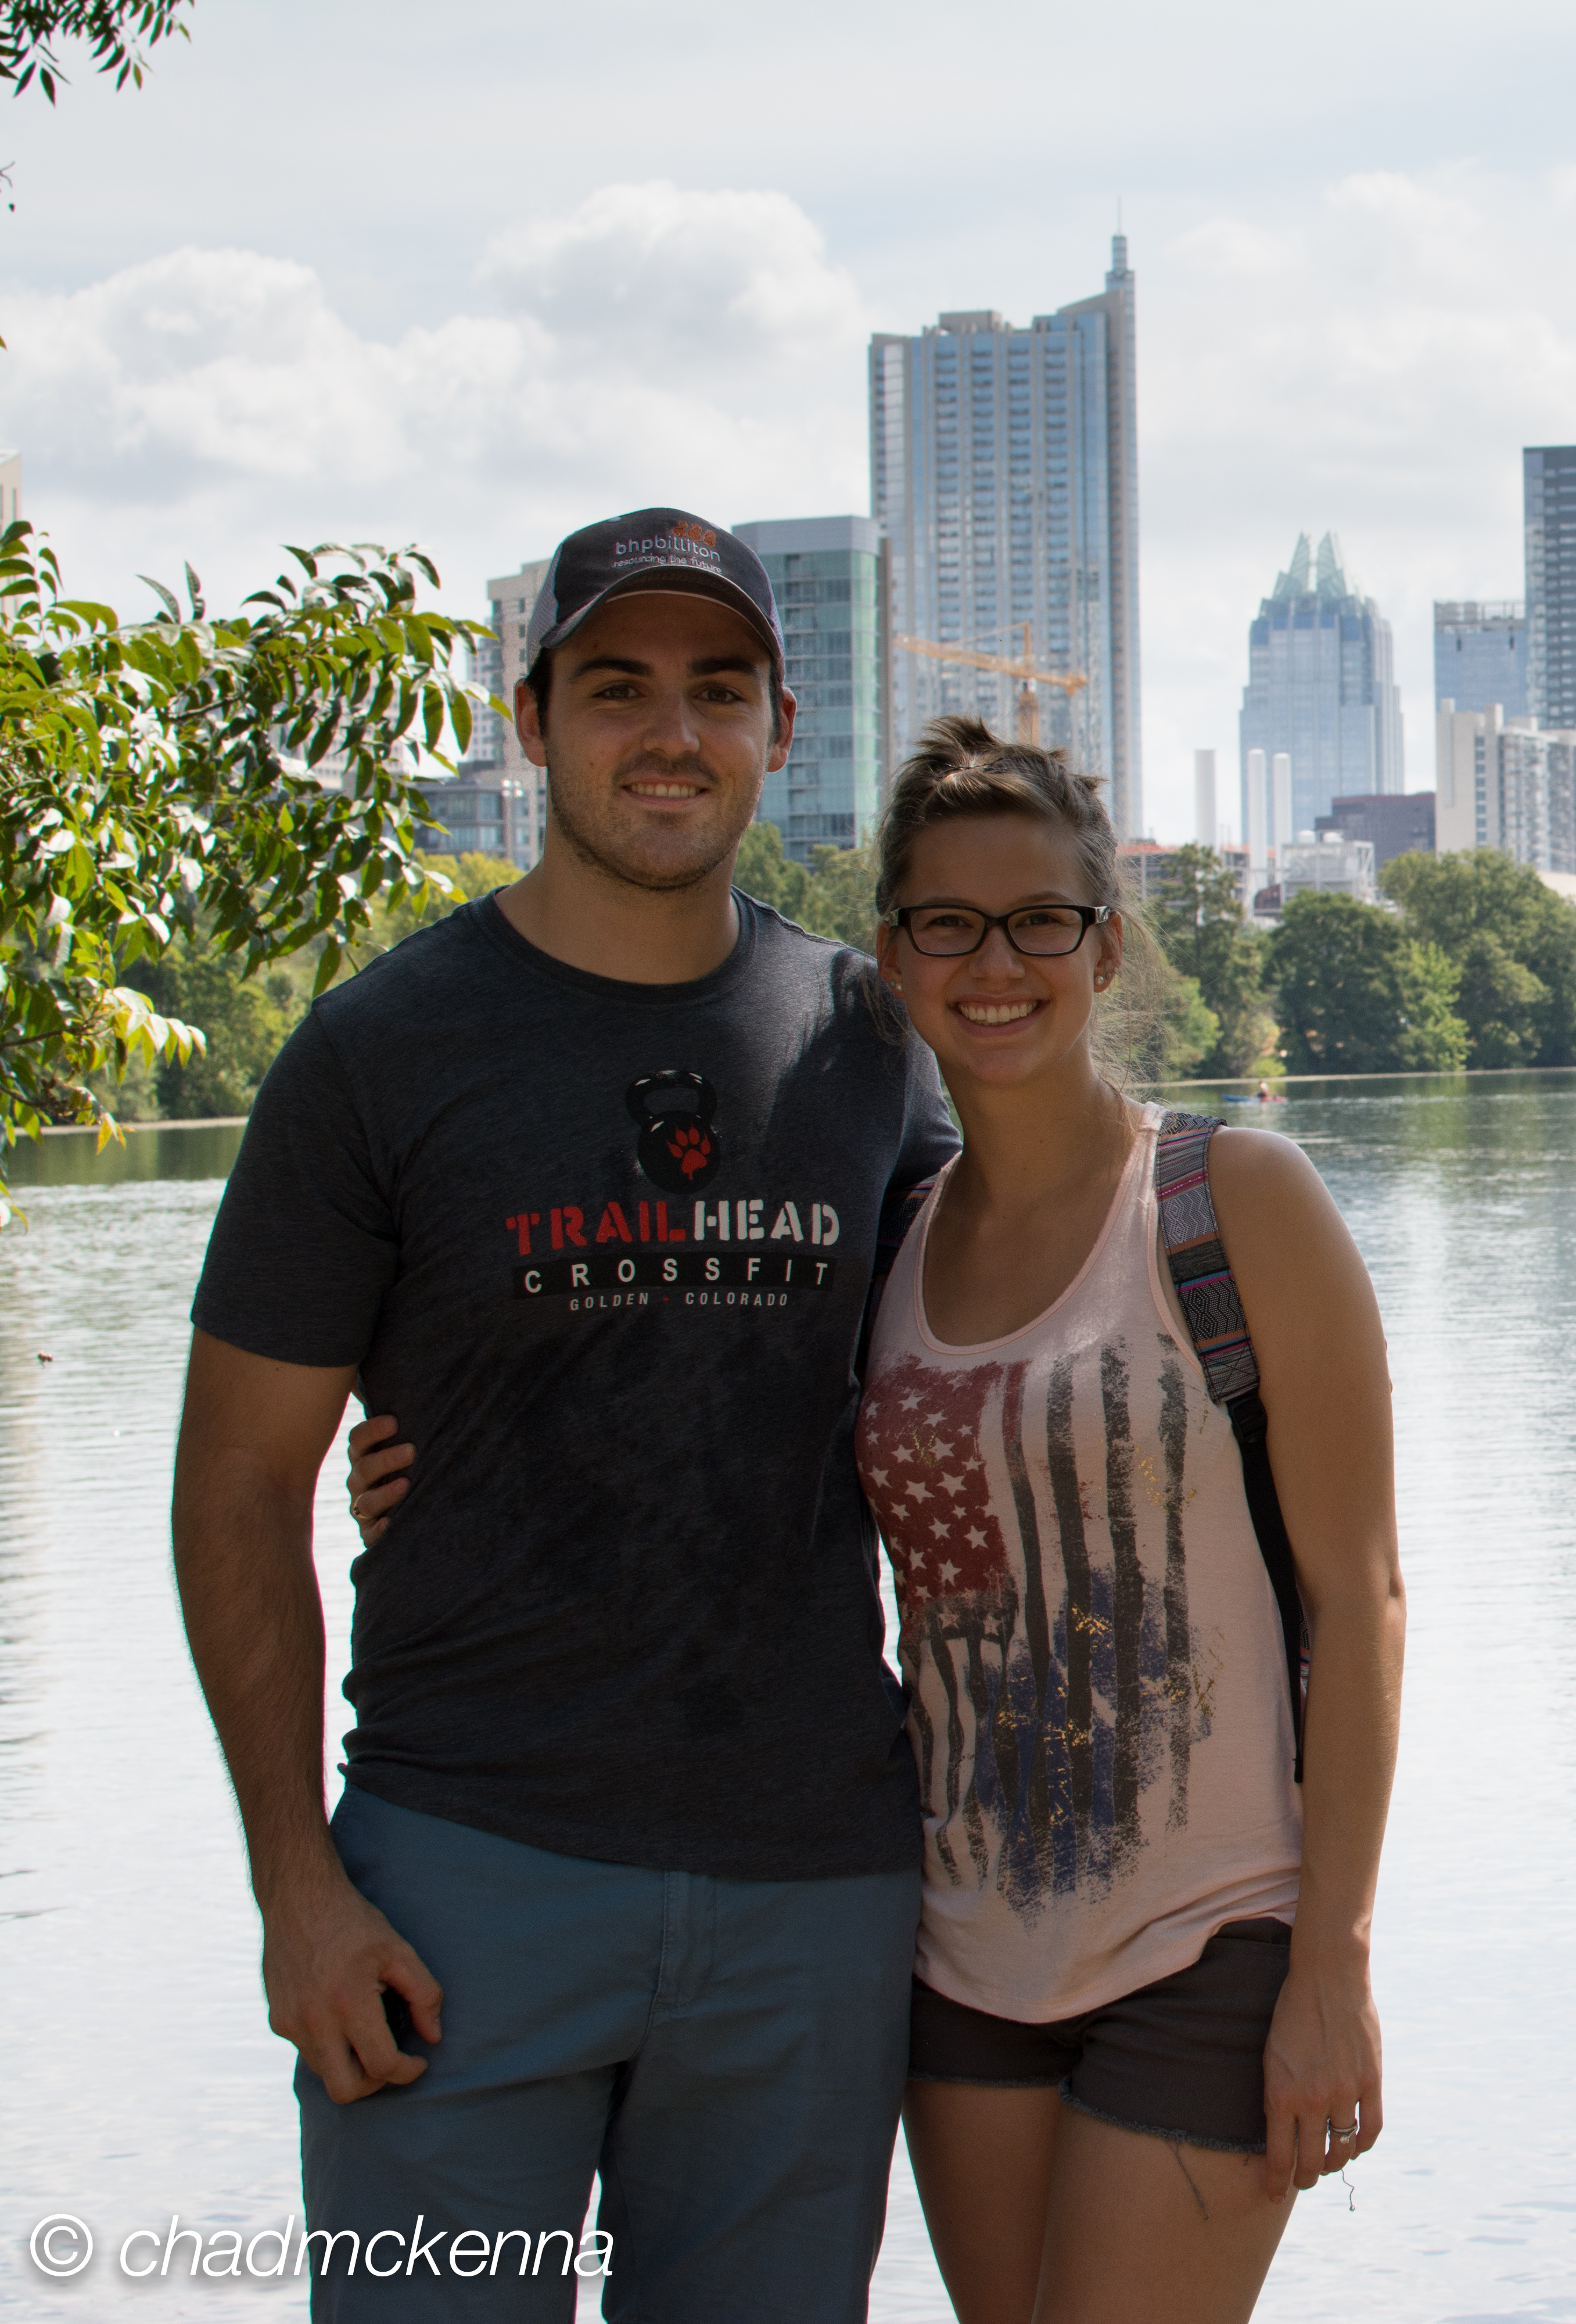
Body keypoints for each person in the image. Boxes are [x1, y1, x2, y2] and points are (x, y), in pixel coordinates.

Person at [357, 717, 1405, 2324]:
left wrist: (1331, 1955)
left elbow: (1364, 1597)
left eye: (1041, 919)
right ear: (893, 960)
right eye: (947, 924)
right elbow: (700, 1395)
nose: (998, 962)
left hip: (1208, 1944)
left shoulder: (1233, 1203)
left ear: (1106, 942)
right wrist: (429, 1460)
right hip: (959, 1960)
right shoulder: (887, 1240)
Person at [171, 507, 958, 2319]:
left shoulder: (867, 1040)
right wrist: (298, 1889)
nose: (668, 734)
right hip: (463, 1885)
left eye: (717, 690)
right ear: (527, 721)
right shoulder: (380, 1052)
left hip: (811, 1894)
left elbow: (1002, 1356)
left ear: (781, 728)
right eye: (616, 689)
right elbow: (232, 1497)